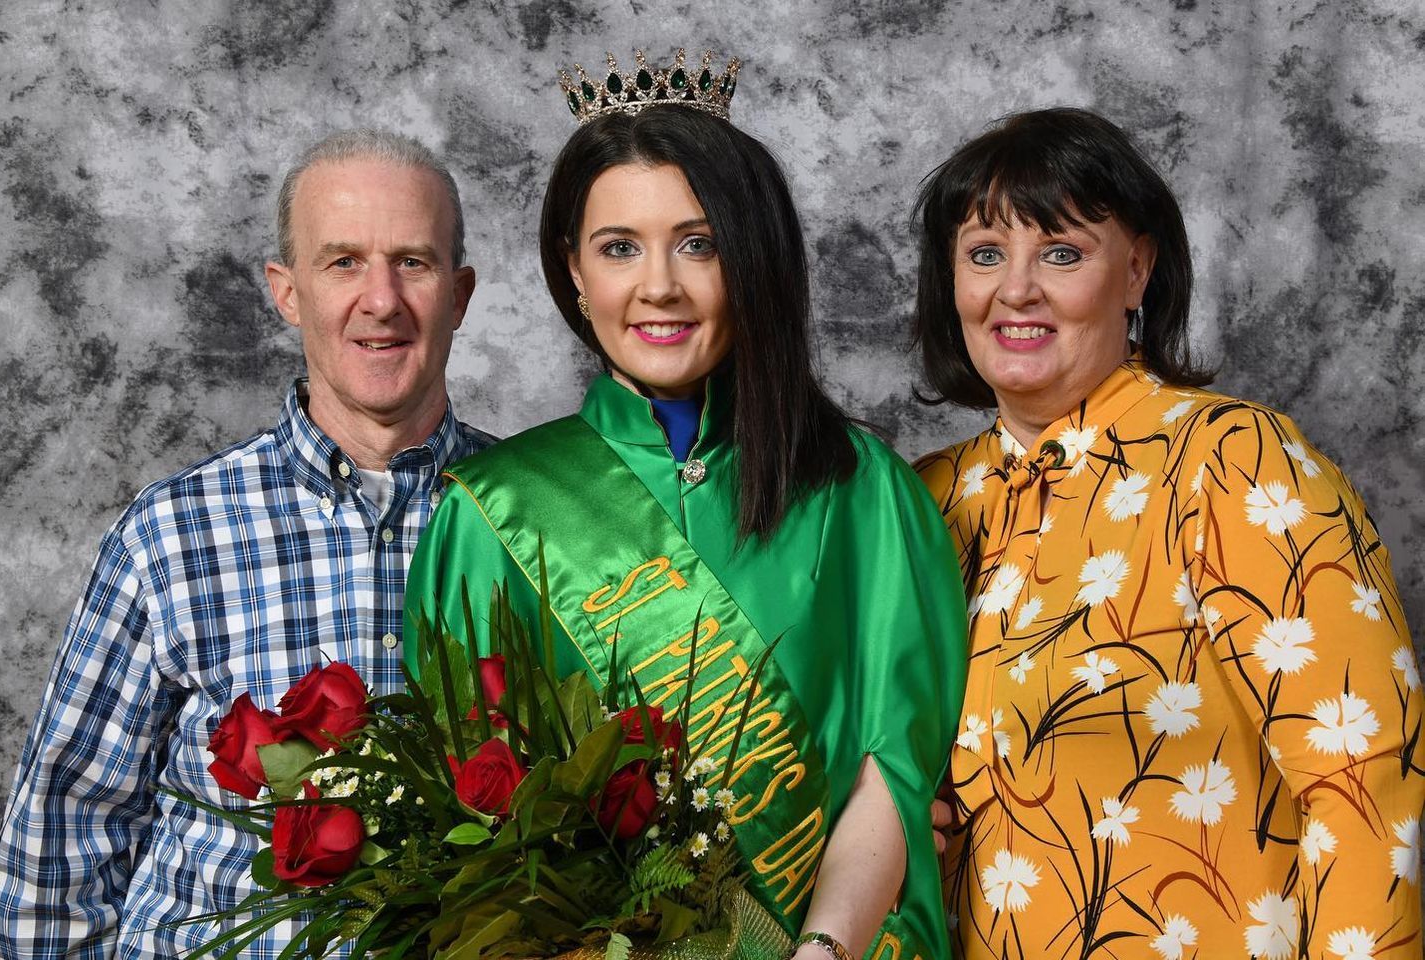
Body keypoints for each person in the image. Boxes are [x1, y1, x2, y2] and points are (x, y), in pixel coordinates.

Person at [403, 50, 966, 960]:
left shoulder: (864, 491)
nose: (658, 285)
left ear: (753, 260)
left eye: (698, 244)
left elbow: (893, 770)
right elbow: (475, 833)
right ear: (574, 272)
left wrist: (818, 952)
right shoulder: (490, 515)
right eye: (619, 247)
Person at [912, 106, 1424, 959]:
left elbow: (1368, 780)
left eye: (1063, 253)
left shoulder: (1232, 461)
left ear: (1137, 270)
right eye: (985, 254)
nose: (1016, 290)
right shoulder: (925, 499)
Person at [0, 129, 493, 958]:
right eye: (342, 263)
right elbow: (56, 856)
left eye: (413, 261)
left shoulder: (532, 518)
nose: (381, 299)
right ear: (286, 291)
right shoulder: (170, 536)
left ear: (461, 293)